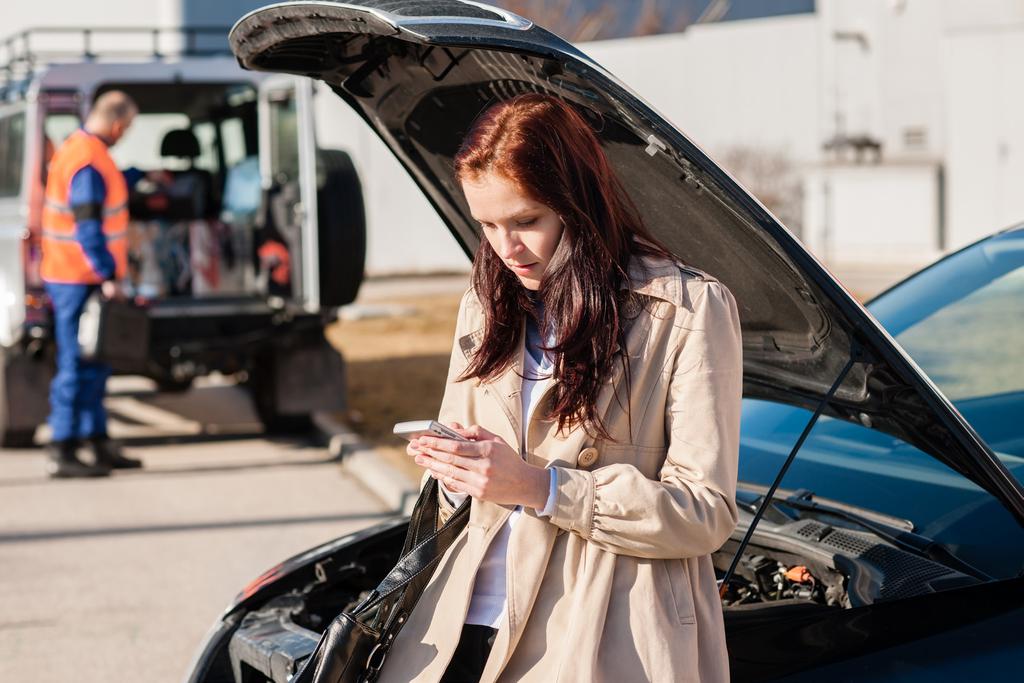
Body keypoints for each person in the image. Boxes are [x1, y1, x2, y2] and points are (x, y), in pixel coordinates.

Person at [392, 93, 744, 682]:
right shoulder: (485, 304)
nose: (507, 249)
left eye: (526, 221)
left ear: (577, 202)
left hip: (602, 632)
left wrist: (540, 486)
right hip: (458, 626)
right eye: (487, 225)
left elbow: (705, 513)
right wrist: (454, 471)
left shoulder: (685, 308)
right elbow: (458, 482)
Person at [41, 90, 144, 478]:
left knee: (96, 361)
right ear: (118, 123)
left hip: (75, 276)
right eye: (129, 127)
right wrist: (108, 276)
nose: (126, 133)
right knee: (75, 364)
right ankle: (62, 449)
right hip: (77, 279)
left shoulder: (81, 149)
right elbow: (88, 229)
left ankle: (98, 443)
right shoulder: (87, 162)